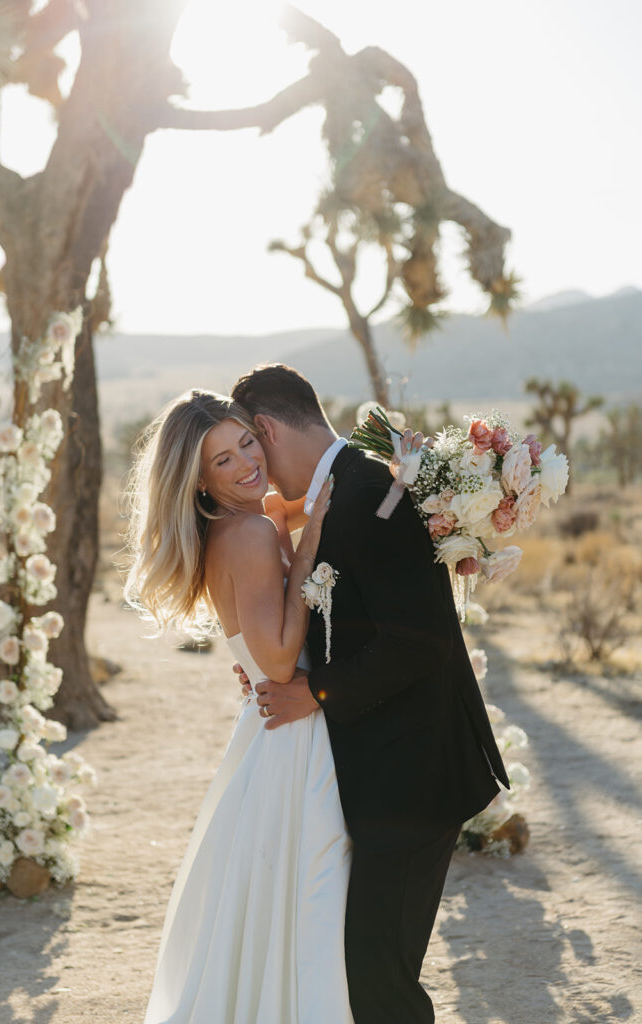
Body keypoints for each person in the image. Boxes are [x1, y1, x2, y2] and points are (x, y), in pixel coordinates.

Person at [231, 363, 511, 1024]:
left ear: (266, 428)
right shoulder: (345, 488)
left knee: (378, 983)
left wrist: (315, 691)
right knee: (367, 972)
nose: (256, 469)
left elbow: (419, 639)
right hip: (388, 773)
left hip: (416, 779)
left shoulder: (368, 493)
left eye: (250, 446)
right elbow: (353, 618)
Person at [122, 388, 354, 1024]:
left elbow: (324, 497)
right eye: (222, 460)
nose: (247, 464)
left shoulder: (253, 516)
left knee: (270, 908)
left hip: (272, 728)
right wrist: (308, 553)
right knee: (305, 902)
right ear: (199, 480)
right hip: (292, 737)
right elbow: (279, 662)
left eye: (247, 442)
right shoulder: (250, 532)